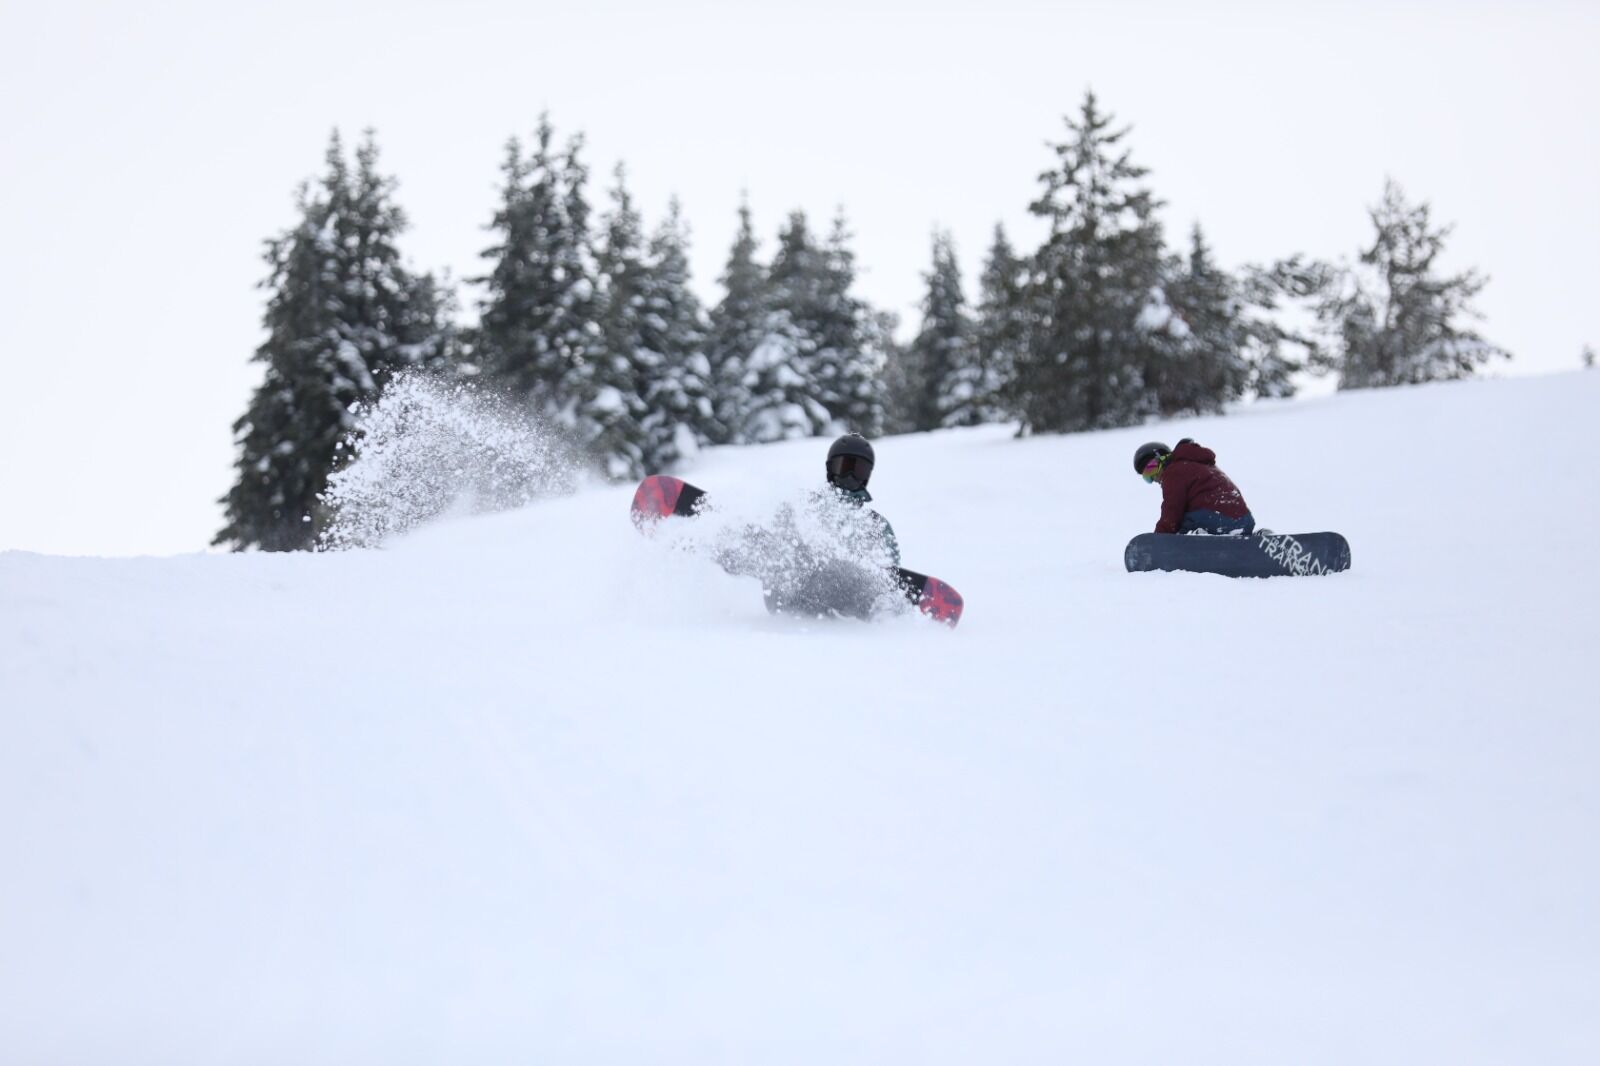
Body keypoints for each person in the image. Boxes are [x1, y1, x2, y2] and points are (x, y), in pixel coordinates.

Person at [1133, 438, 1255, 535]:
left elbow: (1172, 510)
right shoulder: (1200, 464)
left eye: (1151, 469)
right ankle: (1258, 538)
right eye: (1147, 476)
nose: (1153, 478)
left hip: (1219, 521)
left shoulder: (1174, 471)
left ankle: (1192, 540)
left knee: (1180, 524)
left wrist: (1158, 541)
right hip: (1244, 520)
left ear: (1163, 459)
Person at [821, 433, 901, 568]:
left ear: (866, 476)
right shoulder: (811, 509)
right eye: (844, 468)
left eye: (859, 470)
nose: (850, 476)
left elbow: (892, 569)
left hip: (859, 586)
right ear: (831, 469)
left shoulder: (877, 524)